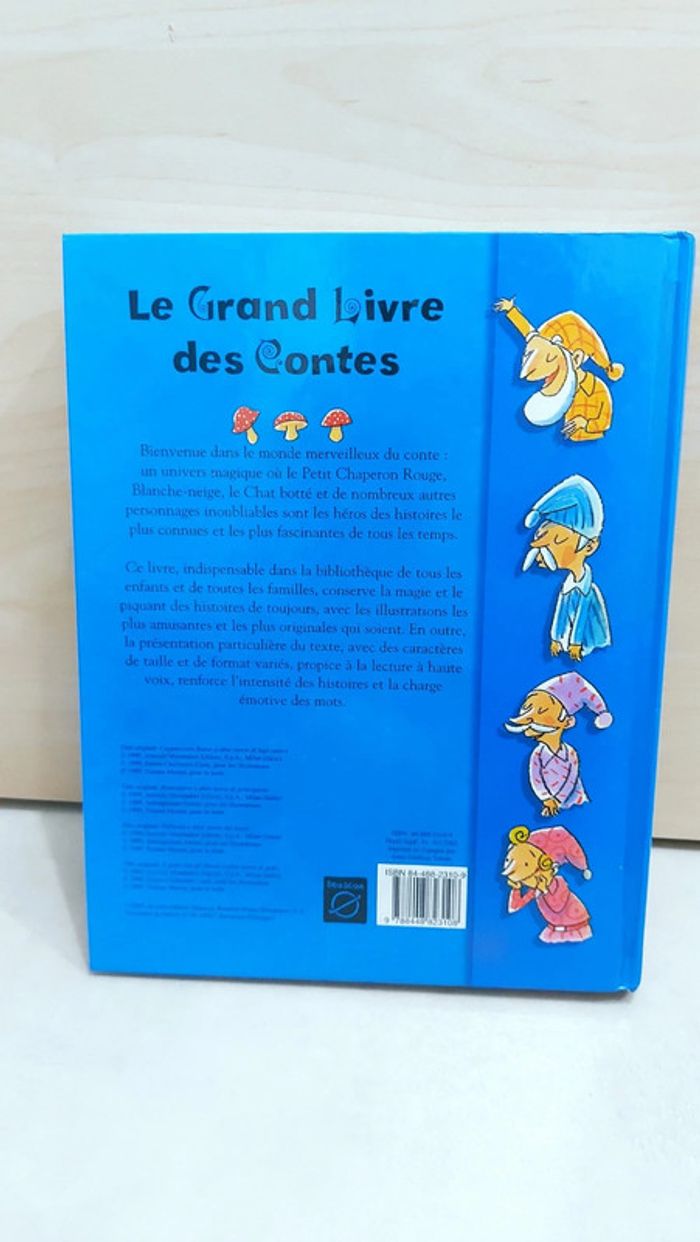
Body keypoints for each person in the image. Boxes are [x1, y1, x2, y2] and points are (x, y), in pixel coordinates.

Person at [493, 298, 624, 440]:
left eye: (550, 359)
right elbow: (529, 332)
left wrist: (585, 423)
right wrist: (511, 310)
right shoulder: (557, 385)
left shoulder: (596, 389)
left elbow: (604, 423)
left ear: (576, 359)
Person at [522, 474, 611, 660]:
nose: (543, 550)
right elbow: (560, 613)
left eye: (557, 540)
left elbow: (581, 617)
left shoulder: (588, 592)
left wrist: (576, 643)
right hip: (566, 646)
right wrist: (555, 638)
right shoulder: (567, 586)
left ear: (589, 546)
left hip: (586, 646)